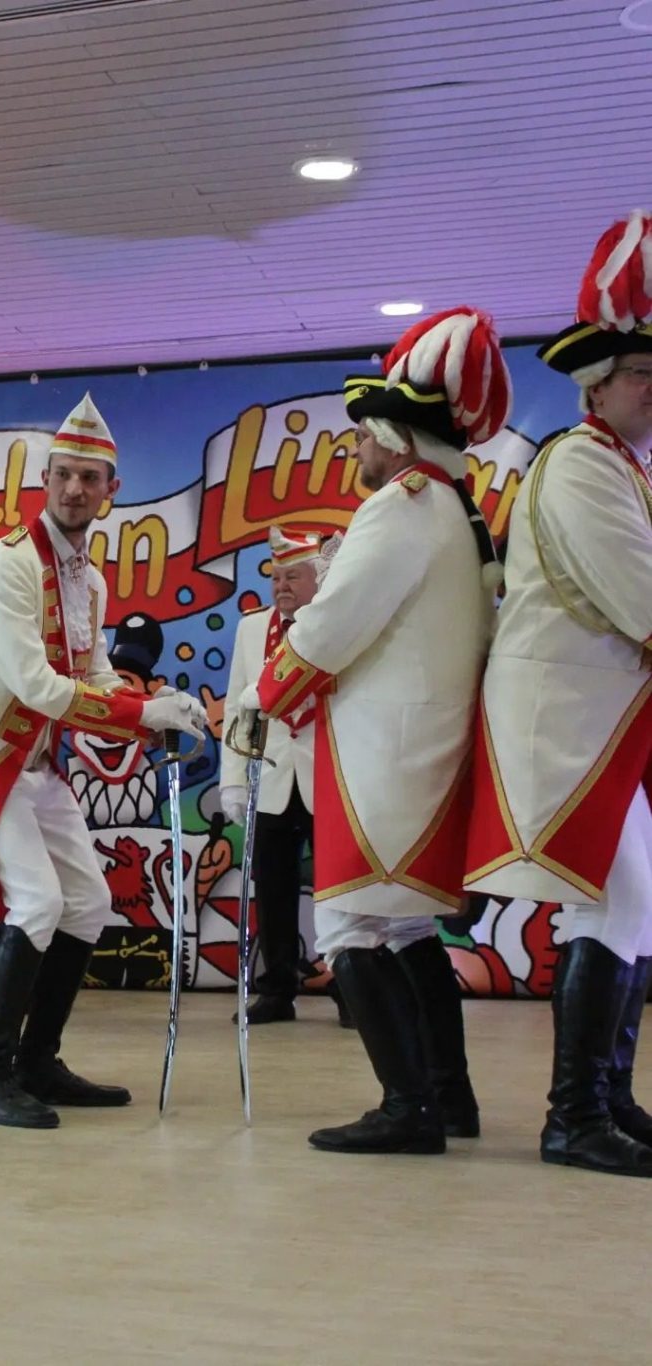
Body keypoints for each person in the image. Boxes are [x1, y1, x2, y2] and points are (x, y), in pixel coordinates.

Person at [241, 307, 509, 1155]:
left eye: (362, 436)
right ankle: (447, 1098)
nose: (355, 449)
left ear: (394, 440)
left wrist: (258, 699)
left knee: (352, 929)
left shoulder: (401, 507)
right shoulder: (452, 507)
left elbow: (331, 625)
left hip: (385, 758)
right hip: (423, 751)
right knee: (408, 927)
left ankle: (408, 1108)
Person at [0, 392, 206, 1129]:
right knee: (39, 902)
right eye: (63, 475)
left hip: (35, 761)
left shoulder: (90, 575)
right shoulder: (9, 565)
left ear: (112, 490)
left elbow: (94, 673)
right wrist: (139, 716)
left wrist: (156, 702)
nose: (75, 489)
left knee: (87, 903)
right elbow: (36, 686)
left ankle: (36, 1062)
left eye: (89, 478)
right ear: (45, 481)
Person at [465, 211, 652, 1178]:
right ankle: (574, 1117)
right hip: (569, 722)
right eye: (641, 372)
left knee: (632, 909)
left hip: (603, 723)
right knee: (612, 907)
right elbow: (642, 596)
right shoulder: (581, 463)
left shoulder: (622, 467)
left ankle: (607, 1100)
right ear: (597, 382)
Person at [220, 525, 343, 1026]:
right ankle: (275, 990)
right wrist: (232, 778)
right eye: (276, 577)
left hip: (327, 777)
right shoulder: (252, 629)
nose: (281, 586)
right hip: (272, 776)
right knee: (271, 888)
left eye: (293, 576)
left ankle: (350, 990)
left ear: (319, 579)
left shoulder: (340, 625)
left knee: (338, 892)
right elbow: (237, 708)